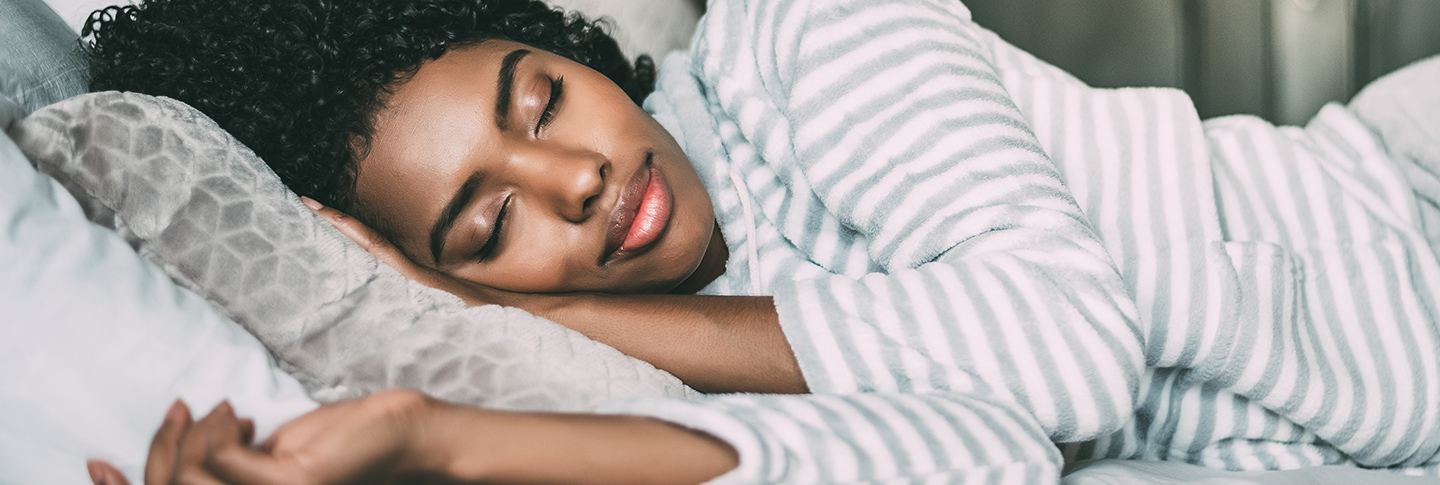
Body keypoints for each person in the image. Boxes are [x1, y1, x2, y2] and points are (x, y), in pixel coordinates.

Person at [79, 0, 1440, 483]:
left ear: (566, 44)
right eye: (490, 224)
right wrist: (436, 436)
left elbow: (1069, 348)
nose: (576, 181)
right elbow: (984, 447)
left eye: (540, 97)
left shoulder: (808, 35)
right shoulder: (700, 336)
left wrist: (502, 305)